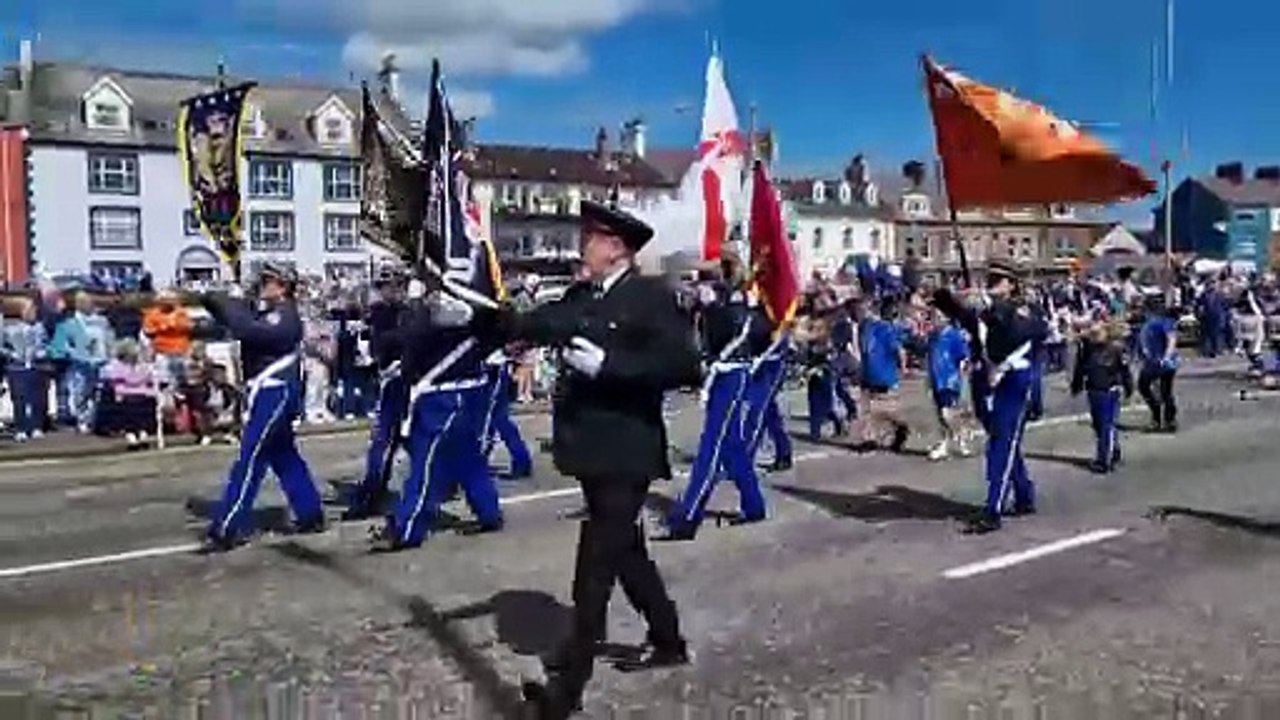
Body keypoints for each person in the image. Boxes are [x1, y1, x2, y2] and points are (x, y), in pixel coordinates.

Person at [497, 200, 701, 719]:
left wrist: (612, 365)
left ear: (616, 248)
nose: (581, 245)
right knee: (626, 551)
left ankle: (568, 689)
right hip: (591, 447)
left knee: (594, 568)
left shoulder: (650, 298)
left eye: (590, 237)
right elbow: (541, 323)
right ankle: (669, 640)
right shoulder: (584, 295)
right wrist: (487, 318)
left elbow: (682, 364)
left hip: (628, 450)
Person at [198, 263, 325, 552]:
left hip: (275, 392)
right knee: (284, 457)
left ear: (282, 286)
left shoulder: (285, 317)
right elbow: (233, 318)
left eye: (268, 281)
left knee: (251, 458)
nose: (262, 286)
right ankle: (310, 513)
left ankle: (227, 527)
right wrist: (213, 298)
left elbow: (245, 329)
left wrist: (227, 300)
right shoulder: (268, 313)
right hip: (267, 392)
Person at [373, 272, 503, 552]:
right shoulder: (473, 312)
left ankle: (407, 528)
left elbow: (415, 338)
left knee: (426, 462)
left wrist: (418, 305)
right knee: (468, 459)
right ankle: (489, 512)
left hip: (444, 395)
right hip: (465, 392)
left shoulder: (452, 312)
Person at [663, 250, 771, 540]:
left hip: (731, 375)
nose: (701, 282)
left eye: (708, 276)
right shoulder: (719, 302)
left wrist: (714, 305)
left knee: (711, 447)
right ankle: (754, 505)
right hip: (721, 374)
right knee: (732, 447)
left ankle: (688, 516)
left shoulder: (737, 306)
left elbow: (749, 334)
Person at [933, 259, 1038, 534]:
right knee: (1002, 440)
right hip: (984, 379)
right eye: (989, 280)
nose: (991, 285)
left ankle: (994, 510)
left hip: (1013, 380)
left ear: (1011, 285)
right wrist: (947, 297)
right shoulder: (983, 312)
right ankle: (1024, 494)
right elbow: (959, 315)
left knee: (1000, 445)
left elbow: (1019, 332)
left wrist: (992, 309)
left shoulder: (1023, 310)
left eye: (997, 281)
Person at [344, 270, 412, 520]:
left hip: (406, 381)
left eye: (391, 285)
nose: (386, 290)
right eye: (383, 286)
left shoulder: (411, 312)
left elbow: (406, 340)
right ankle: (372, 493)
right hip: (391, 378)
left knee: (387, 442)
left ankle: (371, 496)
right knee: (392, 442)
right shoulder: (381, 312)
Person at [1071, 320, 1133, 473]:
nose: (1094, 337)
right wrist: (1076, 385)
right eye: (1092, 334)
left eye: (1097, 334)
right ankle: (1113, 451)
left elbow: (1125, 371)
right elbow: (1080, 368)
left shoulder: (1117, 349)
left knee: (1106, 425)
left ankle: (1103, 460)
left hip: (1109, 391)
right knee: (1099, 425)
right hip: (1093, 390)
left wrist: (1128, 388)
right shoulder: (1087, 349)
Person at [481, 348, 534, 478]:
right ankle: (481, 460)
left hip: (493, 367)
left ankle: (522, 461)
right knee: (490, 419)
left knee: (497, 418)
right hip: (491, 366)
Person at [1137, 294, 1180, 433]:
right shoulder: (1161, 321)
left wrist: (1166, 357)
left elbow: (1171, 339)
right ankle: (1169, 419)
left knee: (1144, 387)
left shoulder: (1157, 322)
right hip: (1165, 362)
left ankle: (1158, 417)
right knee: (1166, 391)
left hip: (1157, 362)